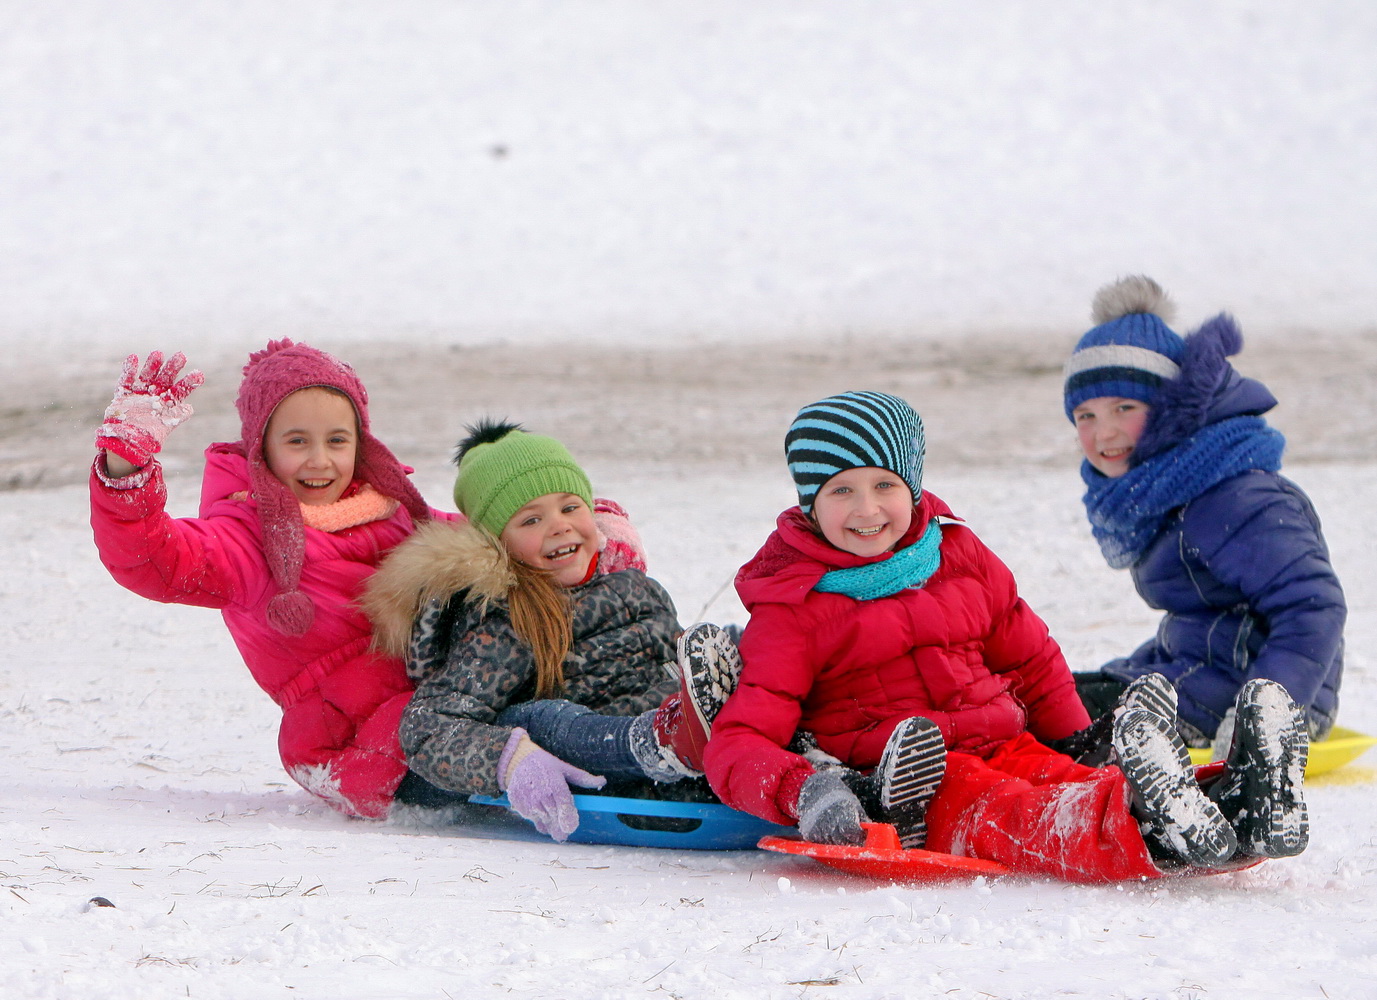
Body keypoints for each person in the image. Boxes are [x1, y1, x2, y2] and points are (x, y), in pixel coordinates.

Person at [702, 390, 1309, 882]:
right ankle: (1153, 829)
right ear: (810, 503)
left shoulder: (957, 554)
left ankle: (1243, 797)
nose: (867, 509)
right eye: (841, 490)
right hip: (914, 783)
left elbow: (1031, 657)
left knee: (1078, 781)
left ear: (912, 486)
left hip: (1004, 738)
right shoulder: (795, 604)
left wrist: (1071, 736)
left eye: (884, 484)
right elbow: (737, 743)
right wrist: (806, 793)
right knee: (1019, 814)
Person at [89, 341, 647, 822]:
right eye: (296, 441)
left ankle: (677, 741)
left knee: (575, 680)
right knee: (535, 723)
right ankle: (645, 753)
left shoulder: (391, 513)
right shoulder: (244, 542)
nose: (320, 460)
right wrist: (124, 467)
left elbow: (495, 539)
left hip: (445, 712)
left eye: (337, 440)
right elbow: (154, 560)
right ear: (261, 446)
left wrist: (588, 526)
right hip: (359, 746)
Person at [361, 420, 719, 842]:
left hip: (675, 729)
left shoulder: (638, 588)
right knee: (541, 720)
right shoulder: (505, 618)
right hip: (587, 760)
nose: (559, 526)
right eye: (531, 520)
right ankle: (659, 743)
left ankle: (777, 762)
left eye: (570, 507)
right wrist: (512, 761)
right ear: (497, 545)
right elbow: (428, 725)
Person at [1062, 275, 1345, 754]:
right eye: (1085, 415)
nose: (1102, 433)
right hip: (1200, 673)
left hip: (1267, 696)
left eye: (1123, 407)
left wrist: (1262, 721)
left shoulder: (1236, 497)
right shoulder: (1170, 486)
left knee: (1070, 731)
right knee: (1050, 700)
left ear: (1173, 408)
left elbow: (1314, 607)